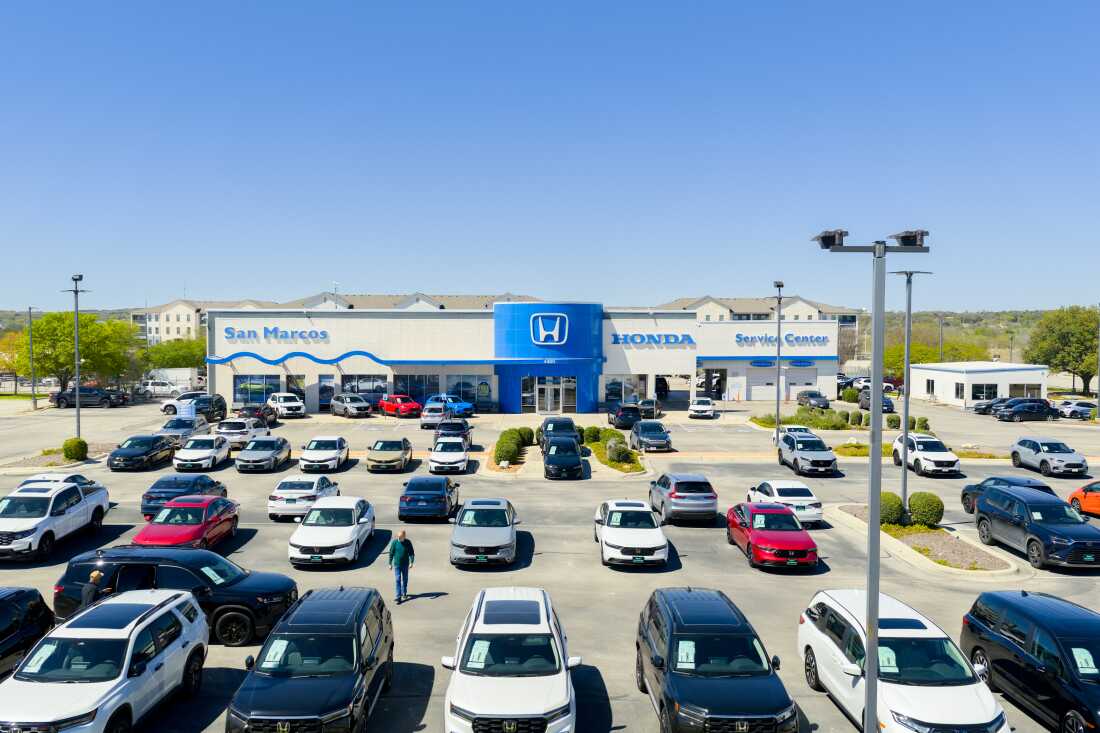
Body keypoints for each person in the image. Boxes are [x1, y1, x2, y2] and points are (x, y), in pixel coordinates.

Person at [387, 530, 415, 604]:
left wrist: (412, 562)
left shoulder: (408, 542)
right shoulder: (395, 542)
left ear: (404, 536)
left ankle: (404, 592)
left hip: (405, 565)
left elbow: (411, 552)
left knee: (405, 579)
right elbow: (391, 553)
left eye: (400, 537)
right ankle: (398, 596)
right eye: (398, 537)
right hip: (397, 565)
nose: (399, 539)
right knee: (397, 579)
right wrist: (389, 563)